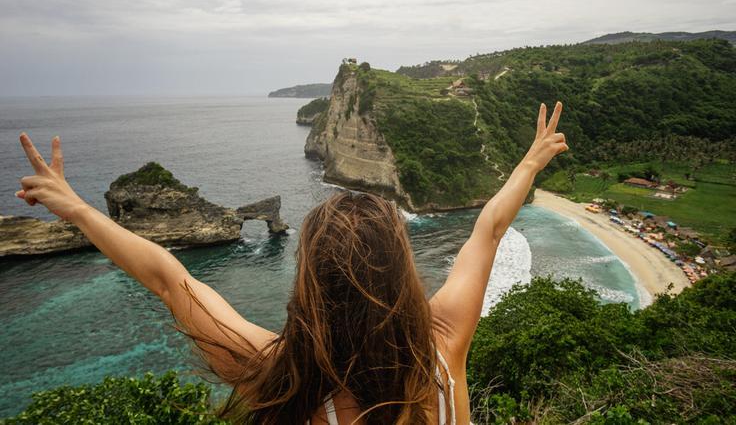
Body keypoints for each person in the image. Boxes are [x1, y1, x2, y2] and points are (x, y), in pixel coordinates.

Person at [15, 102, 568, 424]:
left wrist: (78, 210)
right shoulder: (442, 356)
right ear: (402, 272)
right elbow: (488, 229)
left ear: (307, 279)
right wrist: (527, 164)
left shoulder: (278, 375)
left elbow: (168, 277)